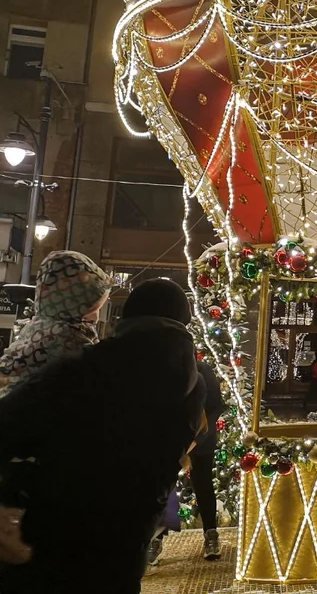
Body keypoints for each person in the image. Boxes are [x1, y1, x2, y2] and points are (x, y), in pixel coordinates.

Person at [0, 278, 204, 593]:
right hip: (129, 533)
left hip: (55, 528)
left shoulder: (83, 368)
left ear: (127, 317)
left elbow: (10, 425)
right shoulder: (193, 387)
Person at [147, 357, 225, 566]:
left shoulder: (203, 372)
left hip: (202, 438)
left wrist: (195, 441)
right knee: (166, 488)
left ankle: (211, 534)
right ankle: (156, 539)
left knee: (203, 484)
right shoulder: (161, 372)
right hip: (170, 440)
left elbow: (216, 406)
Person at [0, 250, 112, 391]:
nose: (95, 318)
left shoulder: (36, 328)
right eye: (92, 310)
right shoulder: (69, 340)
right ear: (73, 305)